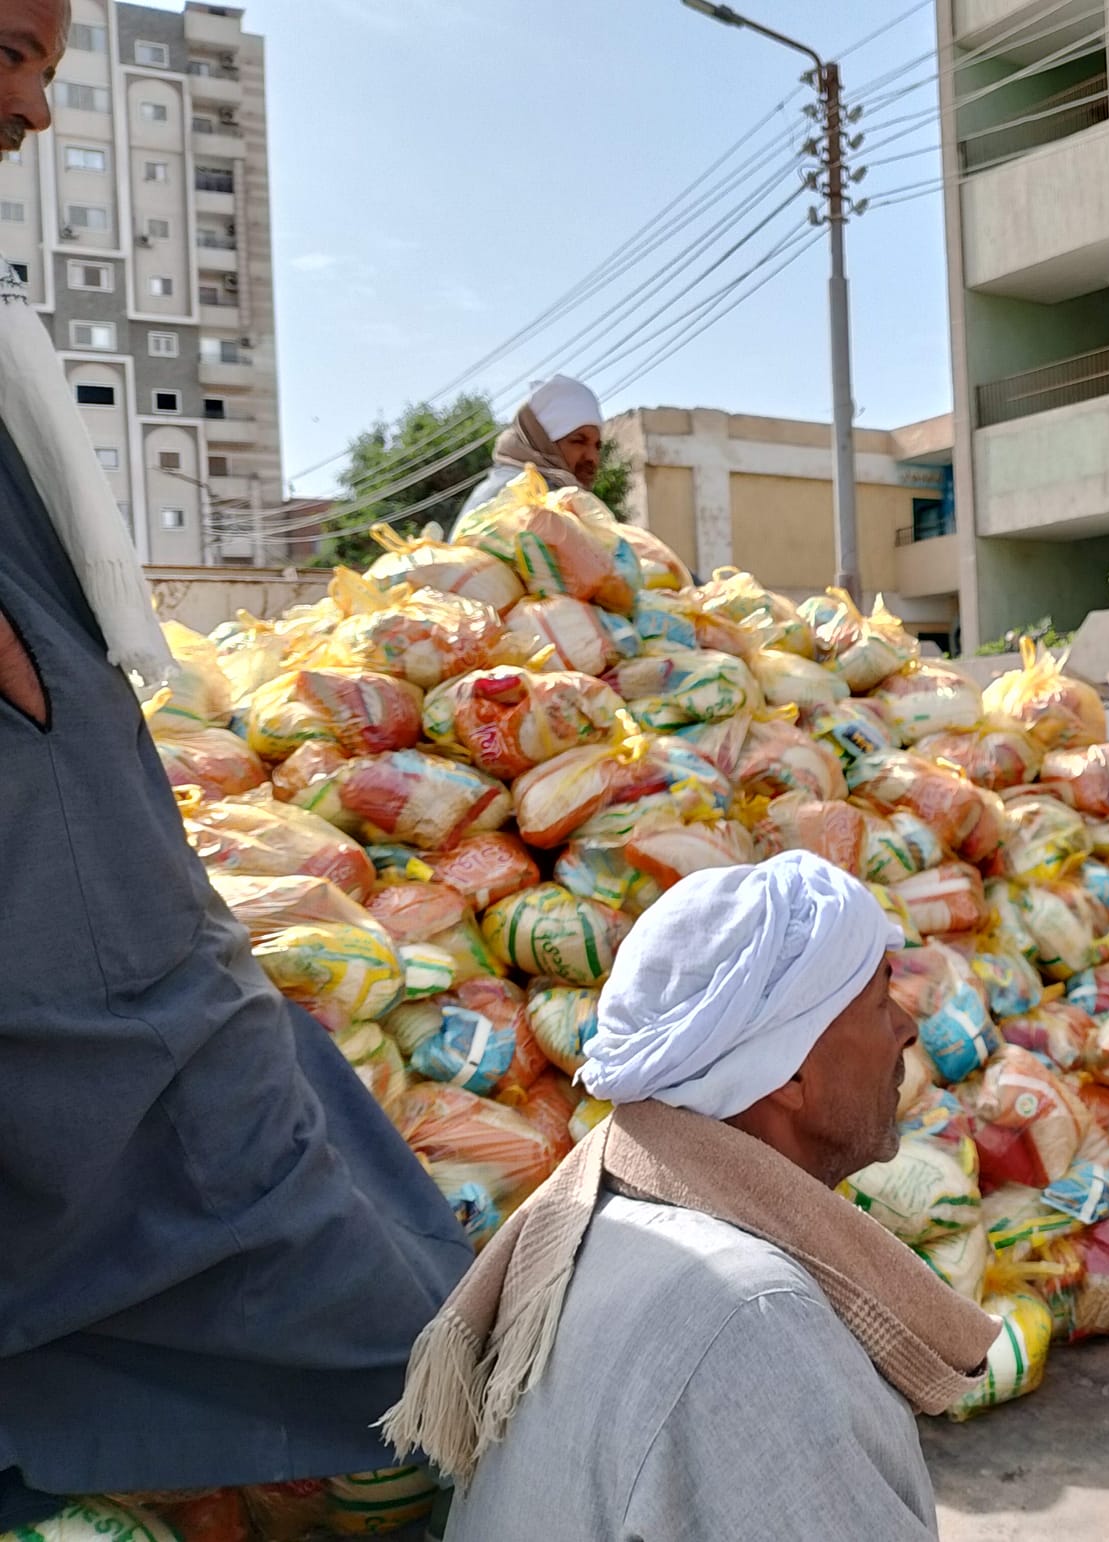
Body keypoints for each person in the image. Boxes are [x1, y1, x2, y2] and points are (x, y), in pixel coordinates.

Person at [0, 5, 472, 1530]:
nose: (37, 113)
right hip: (44, 809)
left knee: (233, 1090)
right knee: (188, 1115)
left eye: (53, 70)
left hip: (69, 774)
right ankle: (425, 1381)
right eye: (10, 52)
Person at [385, 852, 998, 1541]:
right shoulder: (750, 1312)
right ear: (790, 1072)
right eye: (881, 1002)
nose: (907, 1029)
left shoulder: (609, 1216)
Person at [460, 373, 604, 512]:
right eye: (578, 441)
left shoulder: (559, 497)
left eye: (598, 446)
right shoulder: (518, 496)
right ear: (541, 440)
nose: (593, 457)